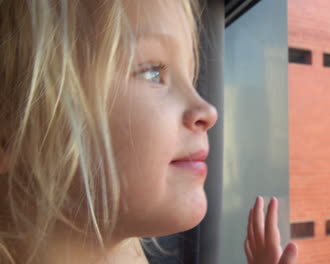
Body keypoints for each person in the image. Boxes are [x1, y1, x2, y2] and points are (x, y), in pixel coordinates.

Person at [0, 0, 298, 263]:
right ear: (10, 133)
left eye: (191, 77)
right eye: (152, 72)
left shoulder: (128, 248)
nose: (208, 110)